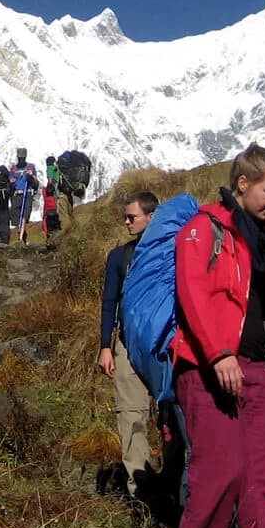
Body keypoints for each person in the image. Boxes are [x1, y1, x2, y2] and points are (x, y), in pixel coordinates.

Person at [167, 143, 265, 528]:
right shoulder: (204, 230)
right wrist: (219, 353)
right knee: (219, 473)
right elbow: (192, 292)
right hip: (206, 365)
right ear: (243, 184)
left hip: (259, 368)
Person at [95, 191, 159, 496]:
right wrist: (105, 346)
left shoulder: (172, 253)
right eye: (125, 216)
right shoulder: (119, 256)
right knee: (130, 413)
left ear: (151, 216)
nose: (126, 222)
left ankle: (172, 481)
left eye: (132, 217)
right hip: (126, 342)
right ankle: (140, 488)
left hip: (164, 345)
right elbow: (109, 302)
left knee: (171, 415)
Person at [9, 147, 39, 245]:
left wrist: (31, 176)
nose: (21, 159)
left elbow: (36, 183)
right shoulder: (14, 169)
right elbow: (11, 181)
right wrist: (12, 182)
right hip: (17, 194)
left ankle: (20, 238)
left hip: (27, 193)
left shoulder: (30, 167)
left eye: (22, 157)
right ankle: (22, 235)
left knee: (24, 216)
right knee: (16, 216)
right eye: (20, 157)